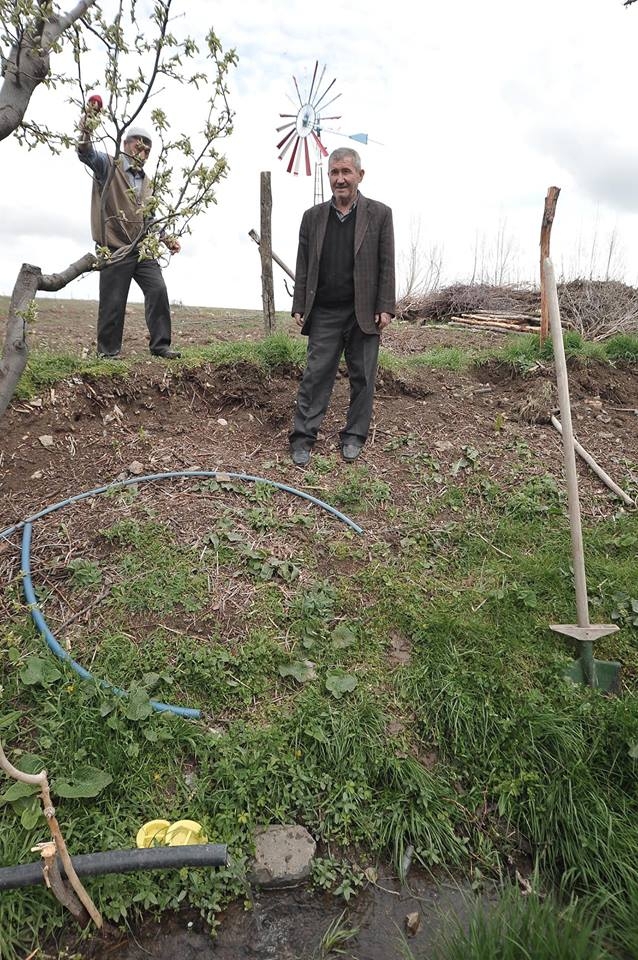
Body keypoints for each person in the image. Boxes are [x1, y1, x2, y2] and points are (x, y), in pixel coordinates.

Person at [289, 147, 395, 466]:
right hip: (324, 310)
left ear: (360, 176)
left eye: (346, 172)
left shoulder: (380, 214)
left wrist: (386, 305)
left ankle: (354, 436)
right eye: (334, 172)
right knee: (316, 374)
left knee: (363, 376)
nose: (340, 179)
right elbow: (304, 263)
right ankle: (303, 437)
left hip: (363, 311)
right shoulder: (312, 217)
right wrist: (299, 303)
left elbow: (387, 263)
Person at [77, 110, 181, 359]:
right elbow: (85, 153)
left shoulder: (149, 183)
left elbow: (151, 217)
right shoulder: (108, 166)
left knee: (158, 290)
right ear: (126, 144)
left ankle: (160, 346)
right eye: (139, 145)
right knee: (113, 301)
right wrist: (87, 128)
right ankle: (108, 353)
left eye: (147, 149)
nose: (142, 152)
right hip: (114, 246)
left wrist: (166, 239)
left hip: (142, 247)